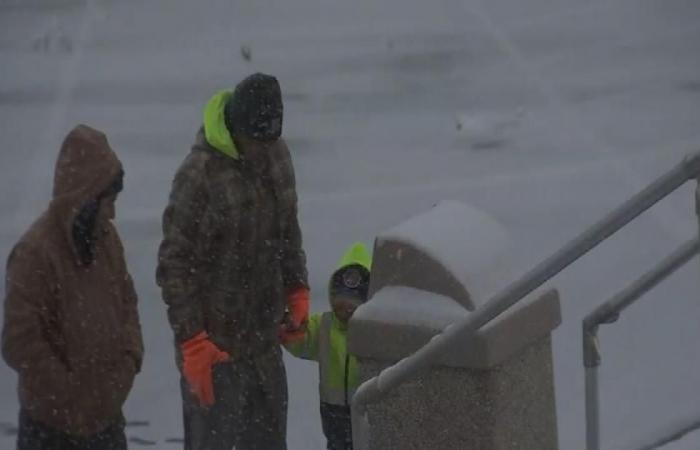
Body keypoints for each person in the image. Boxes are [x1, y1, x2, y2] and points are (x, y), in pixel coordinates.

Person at [156, 73, 310, 450]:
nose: (264, 151)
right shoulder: (198, 177)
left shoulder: (276, 154)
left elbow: (288, 227)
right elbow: (173, 266)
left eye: (270, 141)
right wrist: (193, 341)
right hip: (216, 356)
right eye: (256, 142)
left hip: (264, 350)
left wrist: (297, 287)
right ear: (236, 127)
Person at [2, 124, 144, 450]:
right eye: (107, 201)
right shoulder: (34, 253)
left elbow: (128, 304)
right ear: (86, 198)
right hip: (51, 431)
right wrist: (70, 397)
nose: (112, 211)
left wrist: (128, 362)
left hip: (106, 426)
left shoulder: (107, 242)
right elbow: (18, 341)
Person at [285, 242, 372, 450]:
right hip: (333, 412)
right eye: (341, 302)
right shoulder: (323, 326)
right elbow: (302, 340)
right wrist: (288, 327)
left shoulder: (374, 332)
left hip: (366, 412)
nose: (346, 309)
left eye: (353, 304)